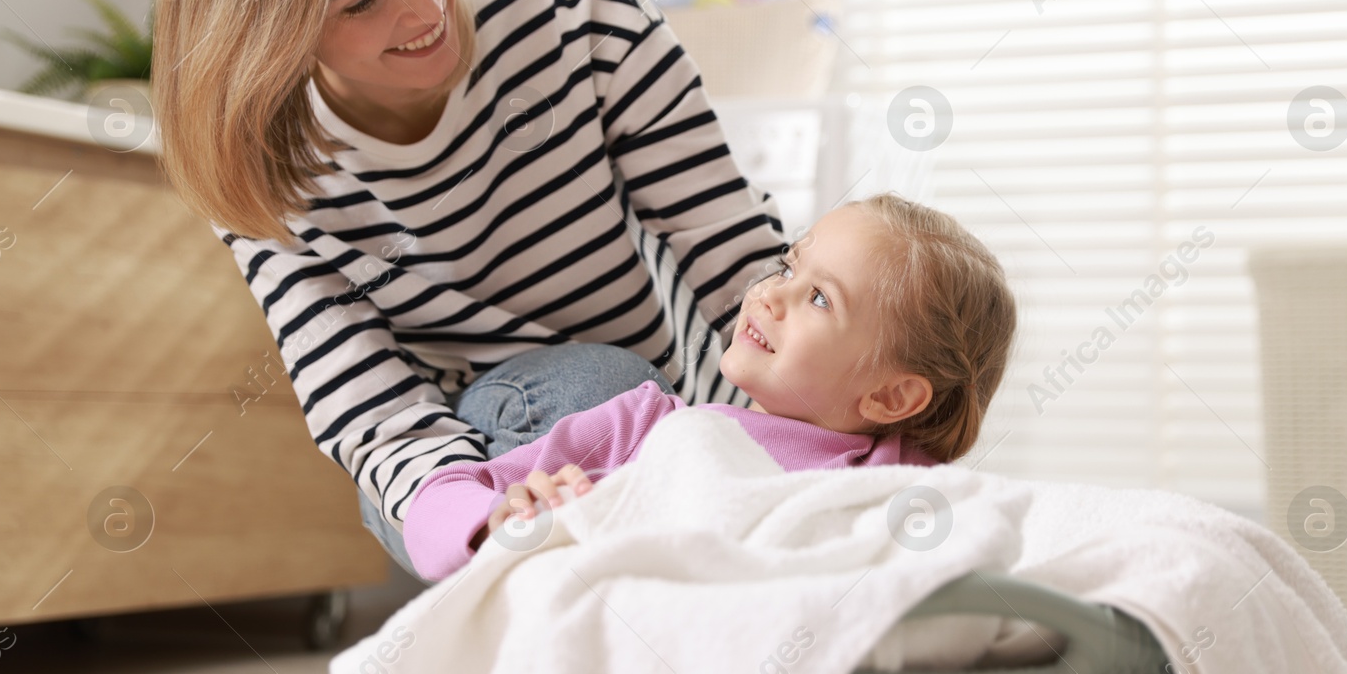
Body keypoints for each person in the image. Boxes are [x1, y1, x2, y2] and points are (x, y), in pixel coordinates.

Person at [152, 0, 786, 579]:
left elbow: (739, 268)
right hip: (452, 461)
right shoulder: (270, 169)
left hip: (665, 408)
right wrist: (479, 516)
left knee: (639, 393)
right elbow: (378, 413)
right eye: (361, 0)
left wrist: (804, 446)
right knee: (605, 390)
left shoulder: (585, 26)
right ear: (273, 30)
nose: (425, 6)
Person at [403, 193, 1018, 581]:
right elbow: (439, 495)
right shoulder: (645, 425)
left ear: (890, 398)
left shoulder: (898, 481)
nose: (769, 294)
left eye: (820, 298)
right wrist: (493, 522)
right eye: (788, 267)